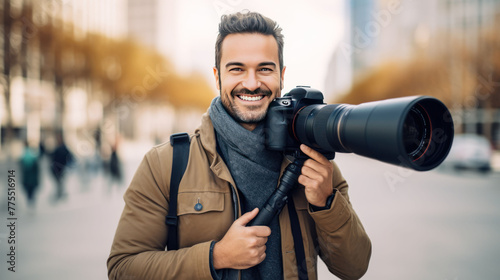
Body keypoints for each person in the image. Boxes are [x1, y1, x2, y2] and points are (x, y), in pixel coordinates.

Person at [107, 11, 371, 280]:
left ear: (281, 75)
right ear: (217, 76)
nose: (252, 83)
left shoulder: (312, 160)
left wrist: (327, 203)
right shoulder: (166, 163)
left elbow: (354, 267)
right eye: (237, 69)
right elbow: (123, 268)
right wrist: (216, 256)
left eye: (265, 69)